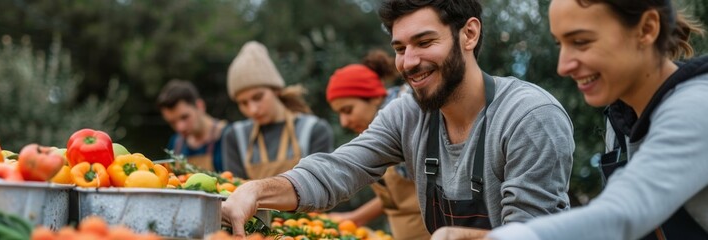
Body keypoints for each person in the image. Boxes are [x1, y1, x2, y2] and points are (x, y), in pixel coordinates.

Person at [222, 0, 575, 236]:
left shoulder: (529, 117)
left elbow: (531, 232)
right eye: (400, 48)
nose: (408, 62)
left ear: (469, 34)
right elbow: (338, 170)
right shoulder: (408, 113)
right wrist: (256, 190)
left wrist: (459, 236)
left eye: (424, 42)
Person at [433, 0, 708, 239]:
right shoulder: (622, 119)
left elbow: (622, 213)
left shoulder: (696, 107)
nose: (563, 66)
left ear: (647, 29)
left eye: (581, 42)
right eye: (560, 44)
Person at [325, 52, 431, 239]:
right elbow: (396, 198)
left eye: (348, 110)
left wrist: (354, 217)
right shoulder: (376, 132)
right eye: (339, 114)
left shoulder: (407, 119)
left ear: (373, 97)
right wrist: (354, 218)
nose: (343, 122)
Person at [221, 41, 334, 180]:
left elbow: (321, 188)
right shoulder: (235, 136)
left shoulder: (313, 130)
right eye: (243, 103)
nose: (253, 109)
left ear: (276, 90)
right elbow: (233, 191)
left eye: (258, 97)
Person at [157, 79, 228, 172]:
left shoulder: (228, 136)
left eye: (184, 117)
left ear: (200, 106)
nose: (180, 127)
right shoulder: (175, 143)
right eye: (172, 122)